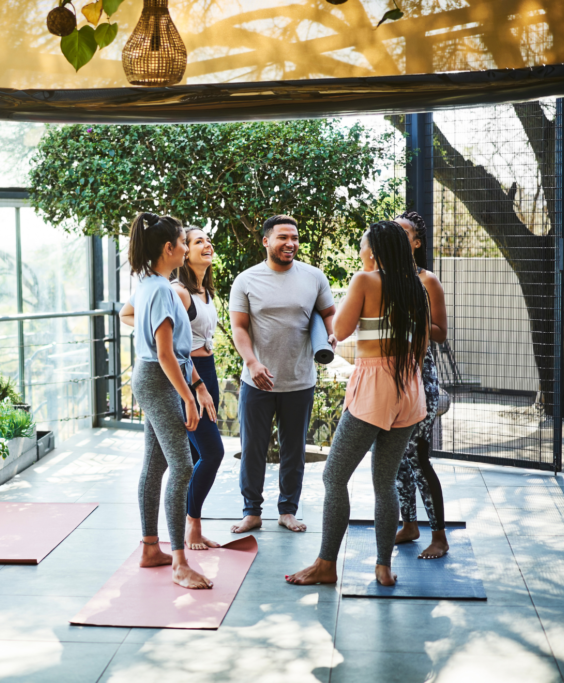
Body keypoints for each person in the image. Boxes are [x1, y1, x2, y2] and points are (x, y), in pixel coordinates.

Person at [286, 221, 430, 587]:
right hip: (409, 389)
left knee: (334, 476)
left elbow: (343, 330)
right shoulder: (418, 286)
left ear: (375, 252)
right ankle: (382, 566)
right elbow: (424, 345)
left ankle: (326, 564)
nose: (361, 252)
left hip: (374, 387)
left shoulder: (365, 280)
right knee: (385, 483)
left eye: (363, 246)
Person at [119, 212, 216, 590]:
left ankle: (149, 548)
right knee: (183, 465)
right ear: (169, 248)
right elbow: (164, 353)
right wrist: (188, 398)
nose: (184, 245)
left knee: (157, 462)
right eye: (182, 240)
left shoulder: (150, 283)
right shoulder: (160, 290)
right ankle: (179, 561)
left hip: (158, 378)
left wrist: (198, 385)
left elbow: (178, 350)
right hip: (158, 380)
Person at [229, 215, 336, 534]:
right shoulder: (246, 280)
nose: (290, 243)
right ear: (266, 241)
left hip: (300, 381)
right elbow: (238, 327)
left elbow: (329, 314)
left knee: (294, 452)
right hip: (257, 382)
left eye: (295, 237)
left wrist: (331, 335)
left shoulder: (314, 277)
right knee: (252, 450)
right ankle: (252, 512)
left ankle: (288, 511)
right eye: (283, 237)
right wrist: (252, 363)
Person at [393, 210, 450, 559]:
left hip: (421, 380)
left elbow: (441, 334)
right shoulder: (378, 278)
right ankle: (409, 524)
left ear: (416, 242)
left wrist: (412, 321)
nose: (397, 237)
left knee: (417, 455)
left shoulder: (427, 280)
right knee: (397, 457)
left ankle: (439, 536)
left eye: (404, 232)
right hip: (390, 380)